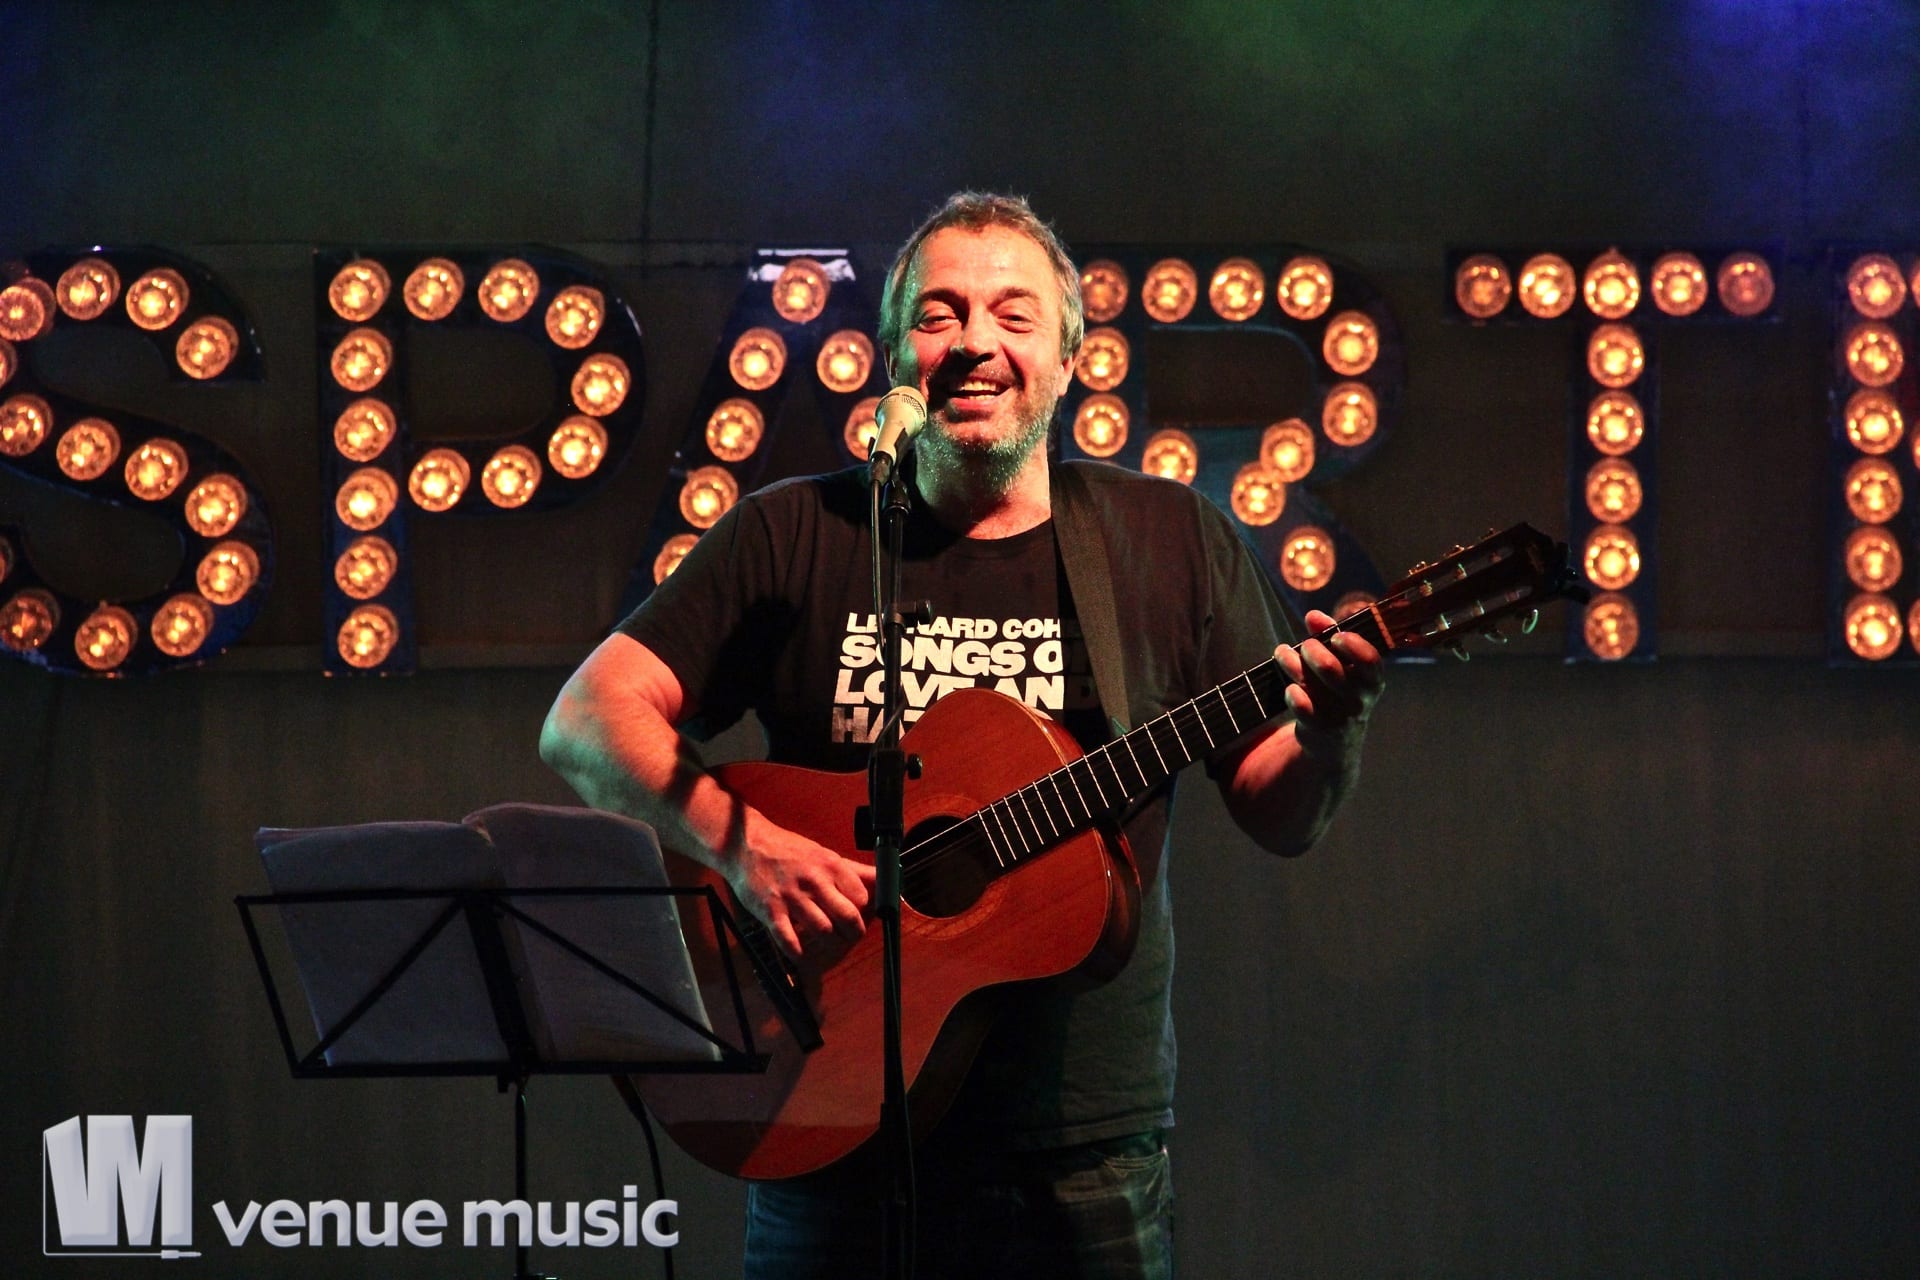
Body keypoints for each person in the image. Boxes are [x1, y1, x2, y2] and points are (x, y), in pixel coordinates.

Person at [539, 192, 1384, 1279]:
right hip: (821, 1124)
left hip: (1080, 1151)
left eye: (1013, 314)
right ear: (894, 355)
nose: (975, 340)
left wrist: (1333, 732)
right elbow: (584, 718)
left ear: (1070, 355)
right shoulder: (796, 531)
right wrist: (744, 845)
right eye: (938, 315)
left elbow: (1279, 810)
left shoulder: (1167, 540)